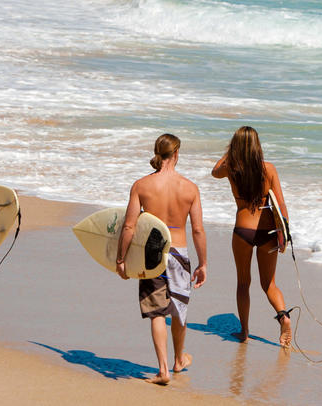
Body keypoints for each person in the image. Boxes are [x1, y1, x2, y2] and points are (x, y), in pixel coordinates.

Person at [116, 134, 208, 386]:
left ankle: (164, 369)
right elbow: (198, 230)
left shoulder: (141, 185)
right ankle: (179, 359)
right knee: (179, 308)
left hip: (151, 253)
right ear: (176, 154)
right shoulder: (189, 188)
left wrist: (120, 259)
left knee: (157, 312)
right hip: (179, 252)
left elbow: (129, 226)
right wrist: (202, 263)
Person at [211, 126, 293, 348]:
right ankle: (283, 316)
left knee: (243, 283)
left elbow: (214, 171)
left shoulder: (231, 168)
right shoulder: (269, 169)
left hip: (243, 231)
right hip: (268, 232)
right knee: (269, 284)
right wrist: (284, 233)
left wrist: (231, 151)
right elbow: (281, 203)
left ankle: (244, 332)